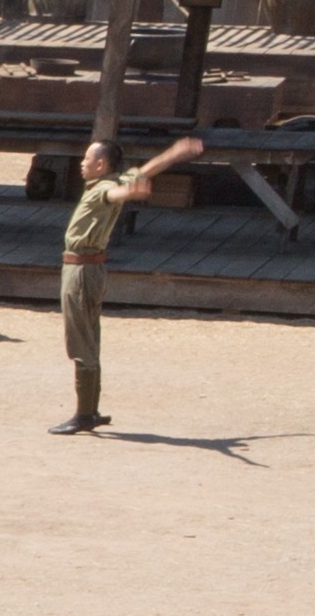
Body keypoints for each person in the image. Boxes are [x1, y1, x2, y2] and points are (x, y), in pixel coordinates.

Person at [55, 132, 209, 431]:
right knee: (90, 338)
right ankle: (90, 410)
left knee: (81, 342)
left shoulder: (105, 188)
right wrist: (175, 153)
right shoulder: (109, 180)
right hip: (90, 270)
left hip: (81, 270)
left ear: (100, 165)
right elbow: (144, 171)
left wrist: (128, 194)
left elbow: (113, 195)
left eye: (87, 158)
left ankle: (84, 415)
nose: (82, 163)